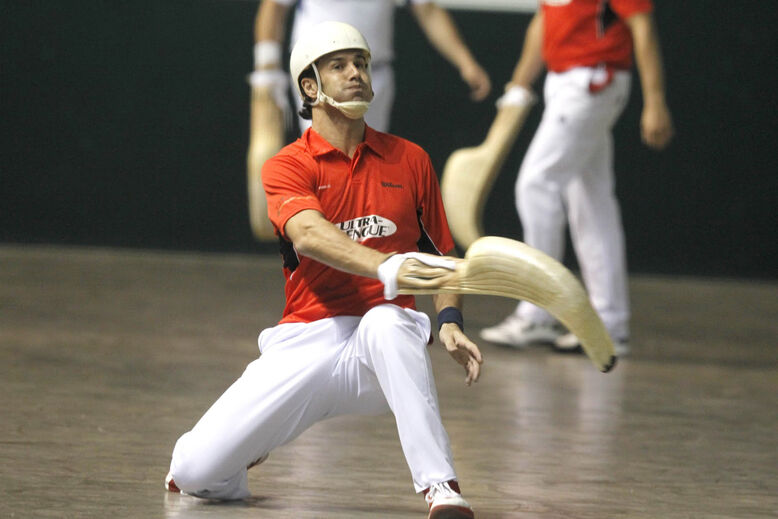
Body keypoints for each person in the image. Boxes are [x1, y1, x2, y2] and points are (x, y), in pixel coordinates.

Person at [166, 21, 483, 519]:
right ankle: (246, 448)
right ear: (309, 87)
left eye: (361, 63)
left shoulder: (410, 160)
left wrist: (448, 322)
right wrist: (390, 266)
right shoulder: (288, 165)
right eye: (339, 65)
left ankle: (440, 487)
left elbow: (444, 258)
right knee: (193, 473)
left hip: (382, 351)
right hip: (306, 339)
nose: (355, 72)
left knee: (385, 319)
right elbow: (310, 236)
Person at [480, 0, 674, 356]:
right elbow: (543, 22)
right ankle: (609, 324)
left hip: (592, 81)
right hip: (565, 81)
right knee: (591, 200)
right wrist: (520, 85)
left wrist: (656, 100)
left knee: (536, 185)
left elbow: (642, 27)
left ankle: (539, 310)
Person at [250, 0, 491, 133]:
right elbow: (274, 7)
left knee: (368, 166)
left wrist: (465, 61)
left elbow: (427, 10)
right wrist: (266, 68)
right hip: (319, 74)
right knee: (326, 163)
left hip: (374, 76)